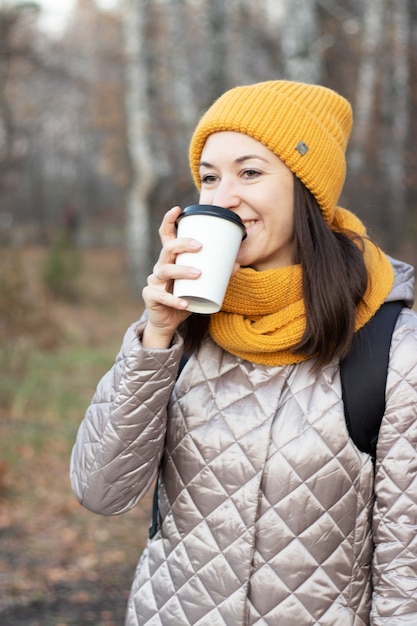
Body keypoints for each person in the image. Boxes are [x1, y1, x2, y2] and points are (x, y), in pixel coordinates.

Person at [70, 80, 417, 625]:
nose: (222, 197)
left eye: (250, 172)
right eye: (209, 177)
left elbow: (407, 574)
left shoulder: (392, 348)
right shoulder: (178, 327)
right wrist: (155, 335)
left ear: (307, 187)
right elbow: (100, 490)